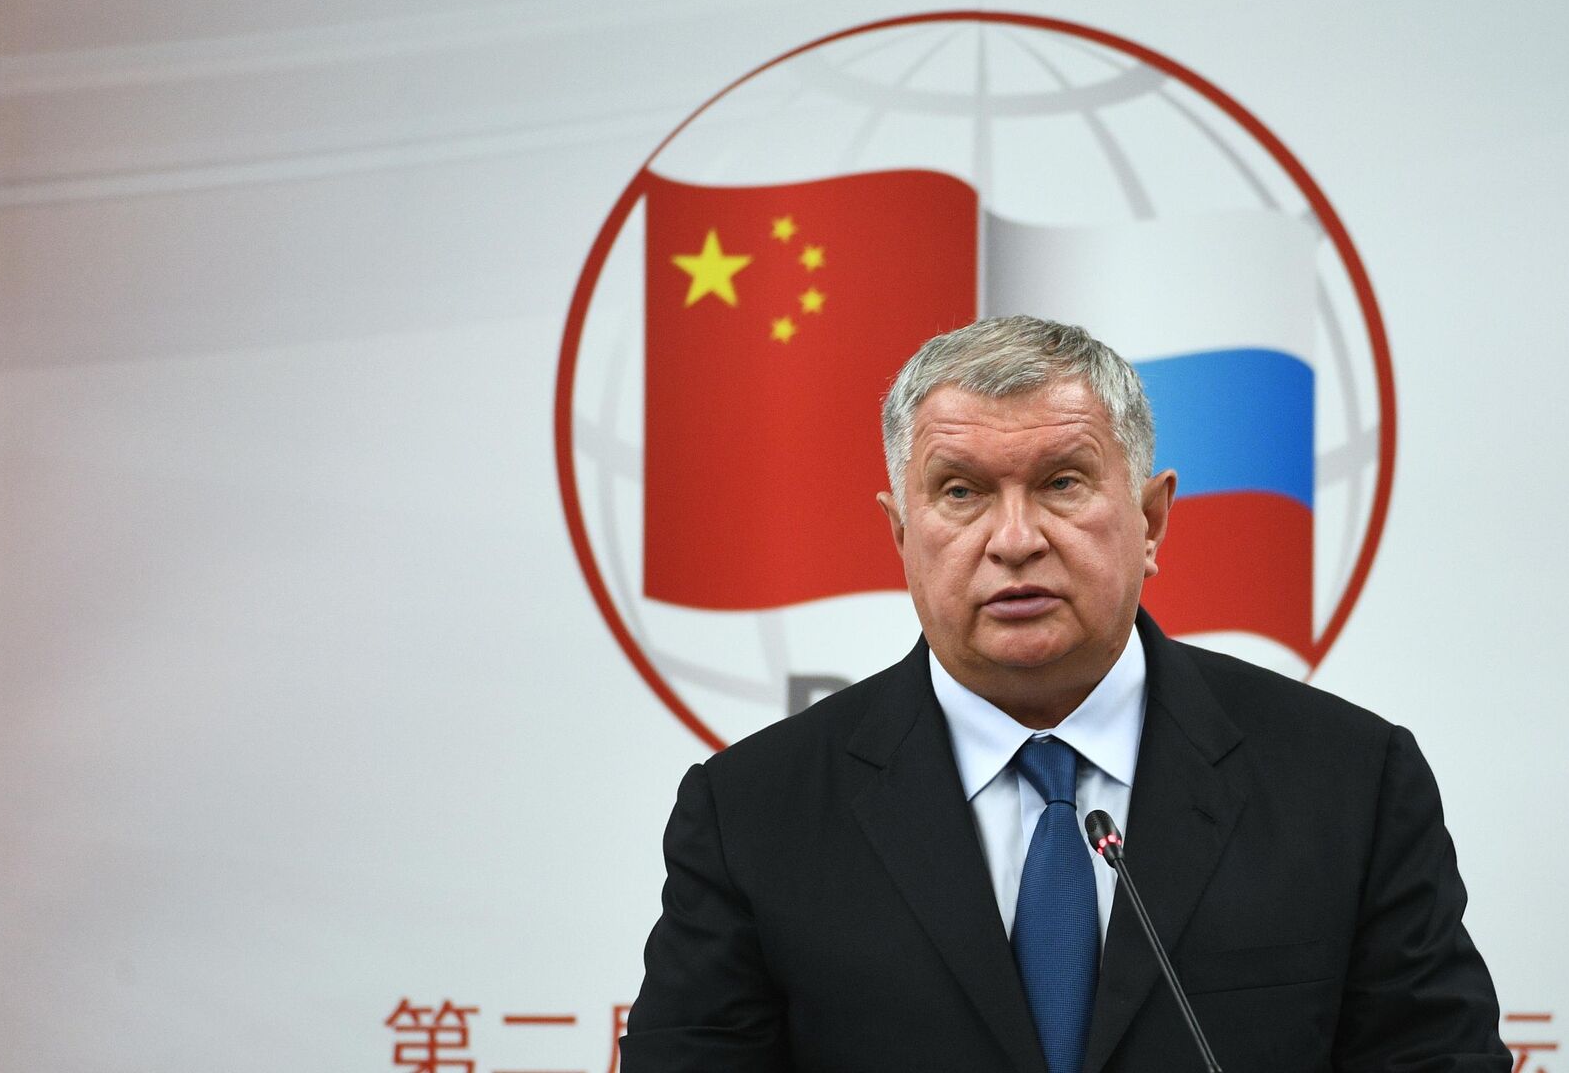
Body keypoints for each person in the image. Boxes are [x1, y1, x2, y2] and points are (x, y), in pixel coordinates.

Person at [621, 316, 1509, 1072]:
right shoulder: (754, 814)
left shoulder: (1347, 782)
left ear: (1151, 520)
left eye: (1062, 483)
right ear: (900, 534)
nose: (1015, 540)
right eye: (960, 491)